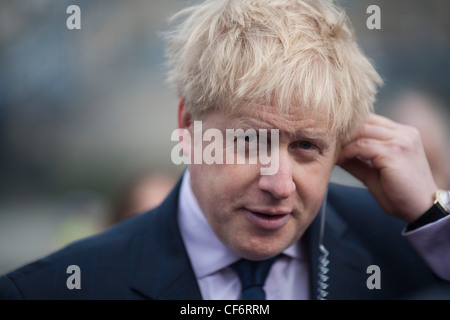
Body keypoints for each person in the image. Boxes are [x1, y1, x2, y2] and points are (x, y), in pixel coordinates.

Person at [1, 0, 449, 300]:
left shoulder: (410, 245)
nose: (277, 184)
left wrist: (434, 220)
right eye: (250, 140)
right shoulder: (57, 287)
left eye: (307, 146)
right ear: (187, 124)